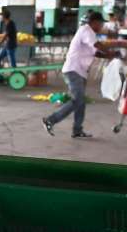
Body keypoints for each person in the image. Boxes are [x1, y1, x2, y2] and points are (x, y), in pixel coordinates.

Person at [42, 11, 119, 139]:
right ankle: (50, 120)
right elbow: (97, 46)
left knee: (81, 102)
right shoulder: (86, 30)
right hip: (73, 70)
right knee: (77, 99)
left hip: (81, 71)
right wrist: (110, 52)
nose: (101, 27)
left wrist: (109, 55)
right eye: (100, 24)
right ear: (94, 22)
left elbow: (95, 52)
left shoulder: (90, 34)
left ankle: (77, 130)